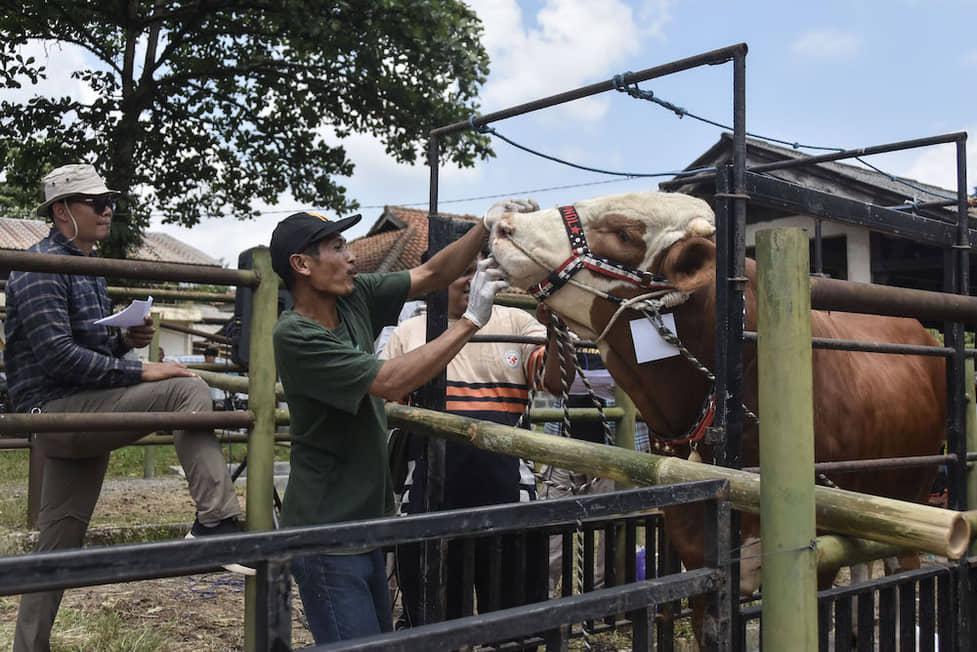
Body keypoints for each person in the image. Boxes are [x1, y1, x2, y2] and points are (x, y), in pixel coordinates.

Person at [6, 164, 246, 652]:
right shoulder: (40, 266)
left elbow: (87, 348)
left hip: (80, 408)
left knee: (58, 546)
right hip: (55, 412)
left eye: (108, 201)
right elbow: (58, 357)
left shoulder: (85, 266)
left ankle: (28, 646)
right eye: (94, 202)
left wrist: (124, 339)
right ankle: (217, 523)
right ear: (60, 211)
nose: (107, 209)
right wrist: (143, 370)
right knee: (187, 389)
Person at [270, 201, 533, 645]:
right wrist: (471, 321)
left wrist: (482, 229)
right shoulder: (295, 334)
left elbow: (431, 275)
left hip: (370, 520)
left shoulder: (352, 298)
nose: (351, 255)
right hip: (327, 531)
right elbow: (391, 382)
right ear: (302, 265)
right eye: (337, 247)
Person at [380, 248, 573, 627]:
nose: (474, 280)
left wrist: (557, 326)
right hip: (429, 491)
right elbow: (391, 397)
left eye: (481, 270)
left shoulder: (516, 322)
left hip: (507, 489)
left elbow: (553, 381)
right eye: (463, 272)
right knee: (434, 617)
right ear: (437, 278)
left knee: (514, 615)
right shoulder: (410, 331)